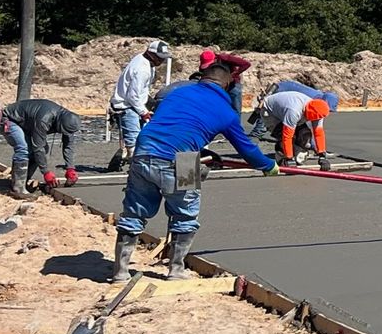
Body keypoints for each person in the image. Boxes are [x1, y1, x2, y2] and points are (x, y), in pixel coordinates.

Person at [113, 53, 278, 281]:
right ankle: (176, 270)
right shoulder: (226, 112)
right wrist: (269, 166)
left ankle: (120, 272)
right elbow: (247, 149)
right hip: (184, 160)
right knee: (185, 214)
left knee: (133, 213)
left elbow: (176, 127)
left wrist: (205, 153)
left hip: (144, 151)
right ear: (227, 84)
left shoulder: (177, 93)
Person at [0, 99, 83, 195]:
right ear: (59, 123)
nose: (64, 134)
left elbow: (68, 145)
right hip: (8, 119)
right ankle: (18, 188)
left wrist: (70, 168)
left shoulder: (68, 122)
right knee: (24, 148)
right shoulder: (45, 118)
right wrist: (46, 172)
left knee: (41, 150)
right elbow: (38, 147)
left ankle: (21, 181)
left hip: (24, 123)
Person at [106, 40, 171, 173]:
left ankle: (133, 163)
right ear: (151, 54)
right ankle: (136, 169)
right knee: (134, 140)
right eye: (160, 58)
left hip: (134, 104)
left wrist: (148, 105)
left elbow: (140, 92)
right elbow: (132, 96)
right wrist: (143, 112)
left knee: (141, 137)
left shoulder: (144, 61)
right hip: (127, 106)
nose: (161, 61)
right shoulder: (142, 69)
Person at [252, 87, 337, 165]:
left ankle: (295, 152)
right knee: (287, 136)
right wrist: (289, 158)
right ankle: (281, 153)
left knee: (305, 135)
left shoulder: (319, 111)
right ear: (310, 114)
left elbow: (318, 133)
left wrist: (322, 155)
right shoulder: (294, 111)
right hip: (270, 113)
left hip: (286, 110)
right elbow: (287, 136)